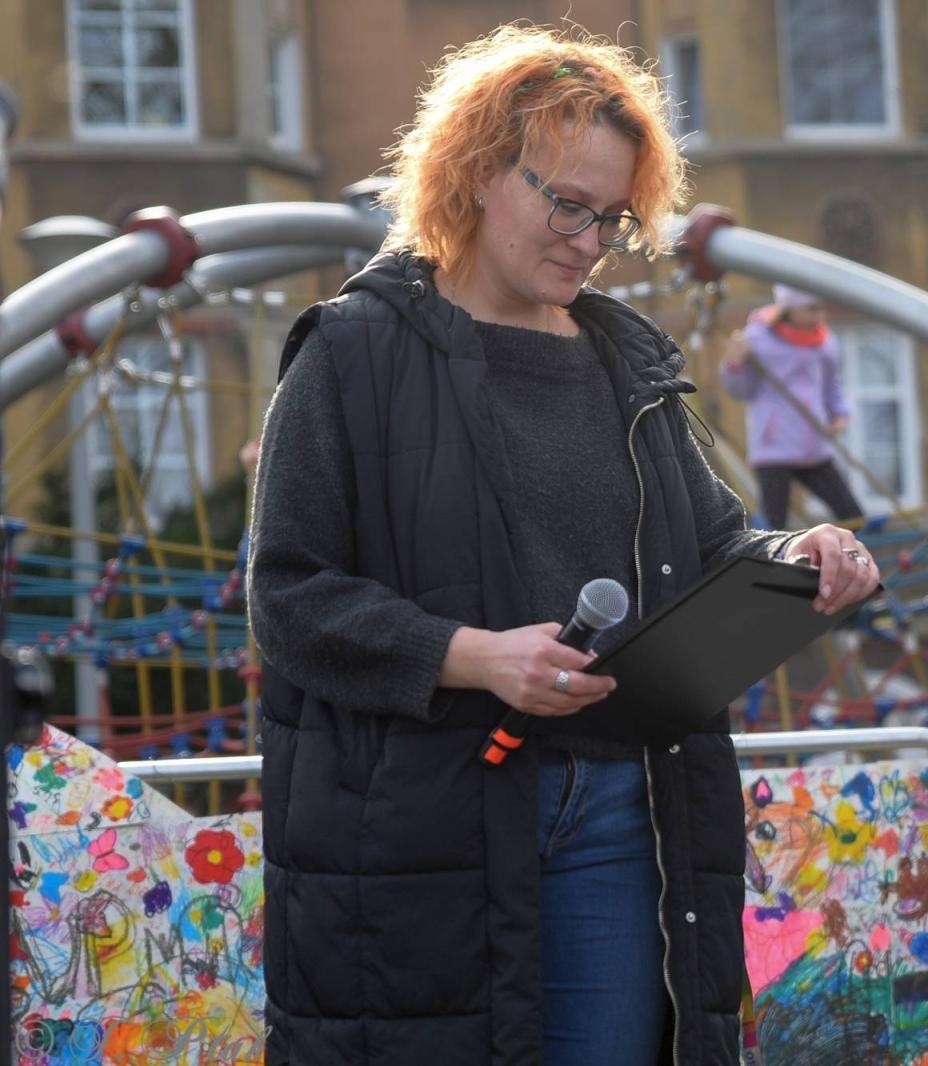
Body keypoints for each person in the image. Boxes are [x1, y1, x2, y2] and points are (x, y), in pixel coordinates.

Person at [246, 25, 880, 1066]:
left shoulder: (626, 361)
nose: (590, 239)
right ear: (478, 171)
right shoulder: (351, 350)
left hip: (628, 813)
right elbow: (289, 598)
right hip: (421, 825)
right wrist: (474, 654)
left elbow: (716, 546)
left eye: (614, 218)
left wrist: (800, 554)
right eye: (566, 203)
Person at [720, 284, 864, 529]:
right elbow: (741, 390)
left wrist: (840, 415)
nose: (819, 316)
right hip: (774, 450)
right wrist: (734, 364)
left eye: (821, 309)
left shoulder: (825, 343)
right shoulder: (757, 339)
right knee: (774, 527)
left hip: (814, 448)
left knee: (853, 516)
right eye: (811, 309)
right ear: (789, 308)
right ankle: (775, 566)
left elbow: (831, 387)